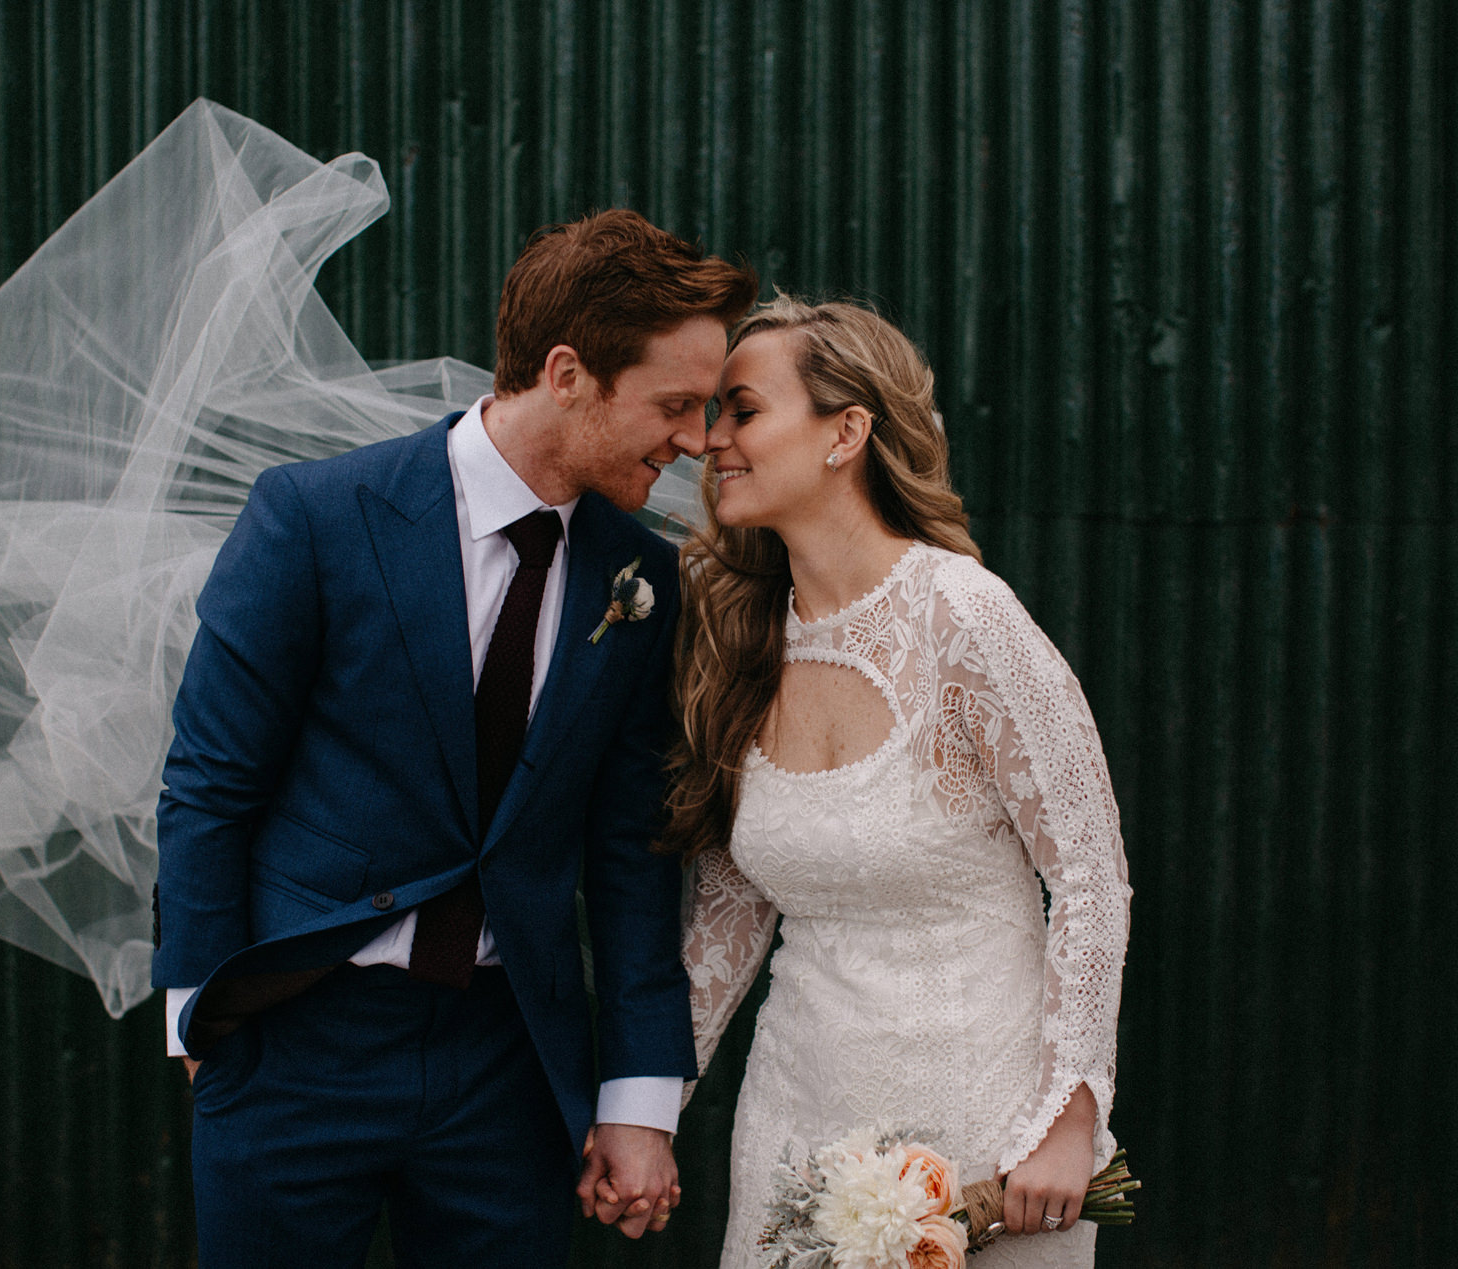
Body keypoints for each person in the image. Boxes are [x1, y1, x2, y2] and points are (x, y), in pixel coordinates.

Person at [150, 207, 756, 1266]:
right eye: (675, 405)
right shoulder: (315, 517)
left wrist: (638, 1096)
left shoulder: (641, 577)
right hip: (296, 1037)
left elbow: (628, 852)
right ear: (567, 373)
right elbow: (208, 786)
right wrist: (200, 1017)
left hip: (506, 1063)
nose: (697, 441)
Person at [672, 297, 1133, 1267]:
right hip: (797, 1129)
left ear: (845, 432)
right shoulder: (738, 638)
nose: (711, 441)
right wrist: (645, 1109)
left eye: (742, 410)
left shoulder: (964, 617)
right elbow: (728, 911)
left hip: (988, 1144)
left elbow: (1089, 874)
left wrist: (1067, 1117)